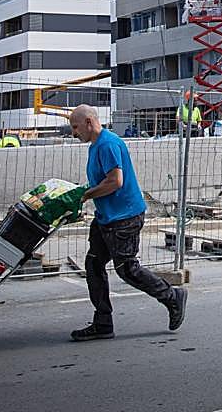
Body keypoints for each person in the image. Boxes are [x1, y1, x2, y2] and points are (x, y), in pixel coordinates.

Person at [69, 104, 186, 341]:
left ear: (89, 123)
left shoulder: (108, 144)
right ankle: (103, 323)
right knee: (93, 264)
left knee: (127, 270)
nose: (73, 132)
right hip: (107, 217)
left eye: (75, 127)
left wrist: (86, 195)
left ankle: (172, 297)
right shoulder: (96, 145)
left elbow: (115, 182)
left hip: (124, 218)